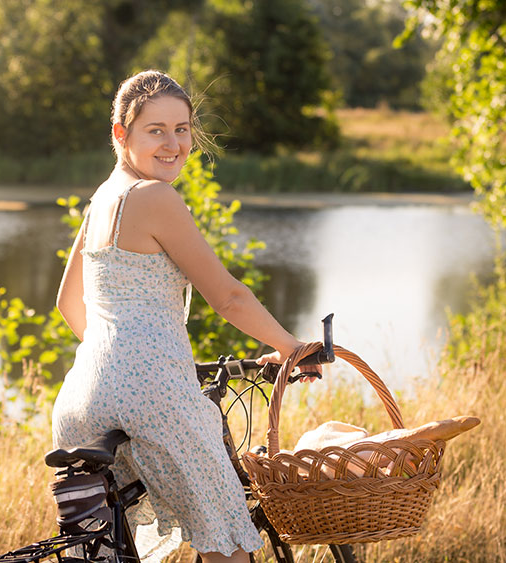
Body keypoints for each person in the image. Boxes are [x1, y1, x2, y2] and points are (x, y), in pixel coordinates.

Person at [51, 70, 311, 563]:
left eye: (182, 128)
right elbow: (228, 298)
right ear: (120, 135)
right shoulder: (155, 198)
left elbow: (69, 303)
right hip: (152, 394)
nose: (173, 144)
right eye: (156, 130)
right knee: (228, 544)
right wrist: (289, 346)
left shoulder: (102, 199)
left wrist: (117, 360)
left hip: (81, 397)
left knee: (112, 550)